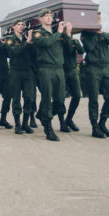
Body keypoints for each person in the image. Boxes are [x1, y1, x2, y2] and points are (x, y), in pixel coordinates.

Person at [33, 10, 71, 141]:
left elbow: (70, 49)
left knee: (60, 100)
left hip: (59, 69)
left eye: (50, 16)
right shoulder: (37, 33)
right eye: (46, 16)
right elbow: (47, 43)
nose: (49, 18)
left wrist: (68, 34)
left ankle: (42, 115)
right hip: (46, 69)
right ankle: (48, 130)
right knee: (47, 98)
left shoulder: (57, 33)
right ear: (40, 19)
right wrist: (59, 33)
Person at [81, 11, 109, 139]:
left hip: (106, 67)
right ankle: (94, 127)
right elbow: (89, 48)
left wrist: (102, 33)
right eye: (95, 17)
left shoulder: (104, 33)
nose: (98, 19)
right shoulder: (85, 34)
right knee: (94, 99)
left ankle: (102, 123)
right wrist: (95, 34)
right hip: (93, 68)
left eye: (99, 17)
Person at [5, 19, 35, 135]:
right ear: (13, 27)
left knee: (29, 97)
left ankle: (25, 123)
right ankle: (17, 124)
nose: (21, 26)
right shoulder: (9, 40)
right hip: (15, 72)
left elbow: (33, 54)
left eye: (22, 25)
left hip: (27, 72)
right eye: (19, 24)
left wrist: (31, 43)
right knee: (16, 99)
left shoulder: (26, 38)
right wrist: (27, 42)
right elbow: (14, 51)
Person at [62, 29, 84, 130]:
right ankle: (62, 121)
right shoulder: (59, 40)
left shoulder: (75, 41)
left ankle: (69, 119)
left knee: (77, 95)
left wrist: (75, 43)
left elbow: (81, 51)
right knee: (60, 97)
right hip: (61, 70)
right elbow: (67, 49)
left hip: (72, 70)